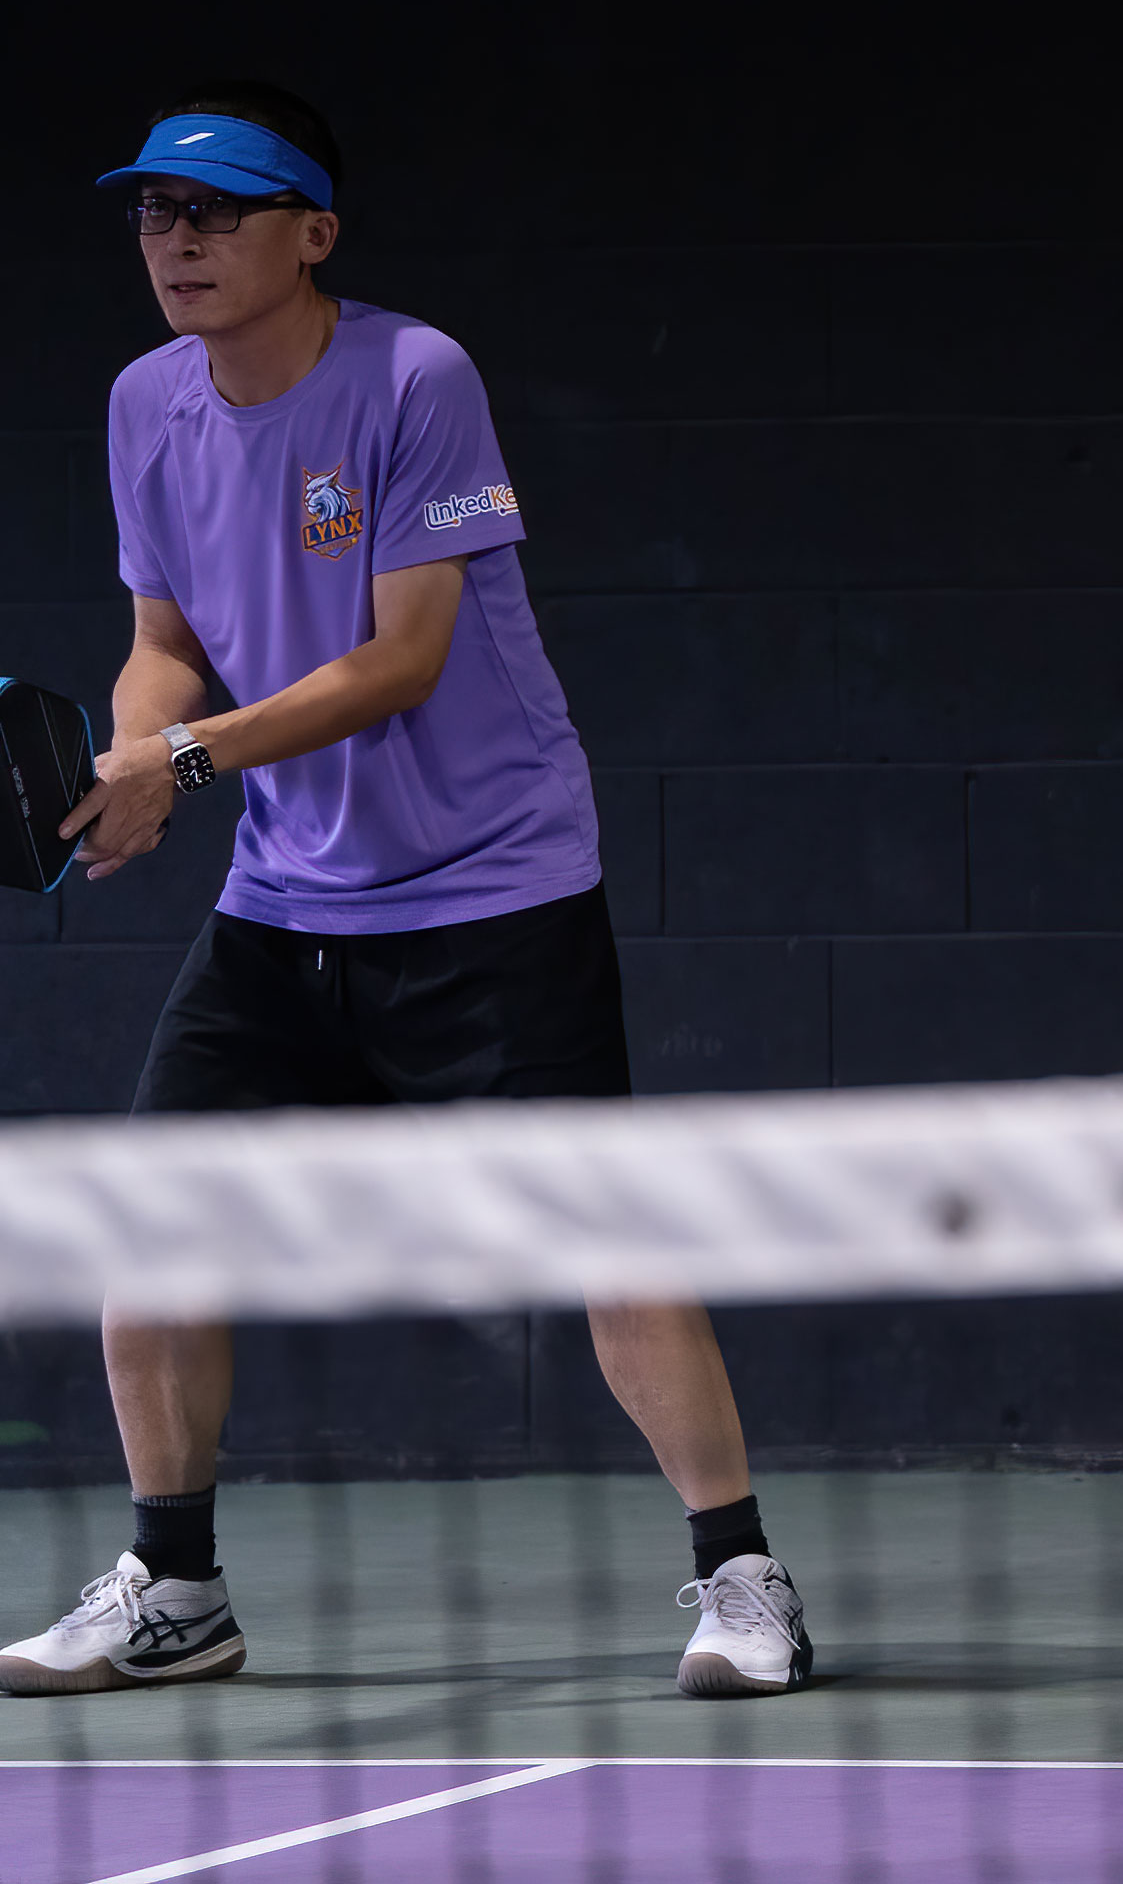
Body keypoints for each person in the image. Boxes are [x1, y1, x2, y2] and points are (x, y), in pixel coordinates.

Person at [0, 86, 810, 1702]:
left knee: (608, 1237)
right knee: (152, 1224)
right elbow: (165, 643)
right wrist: (134, 756)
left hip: (495, 887)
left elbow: (402, 659)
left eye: (217, 210)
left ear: (314, 231)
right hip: (288, 901)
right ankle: (177, 1587)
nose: (177, 240)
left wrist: (187, 762)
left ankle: (746, 1576)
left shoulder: (414, 377)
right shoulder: (146, 403)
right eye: (156, 211)